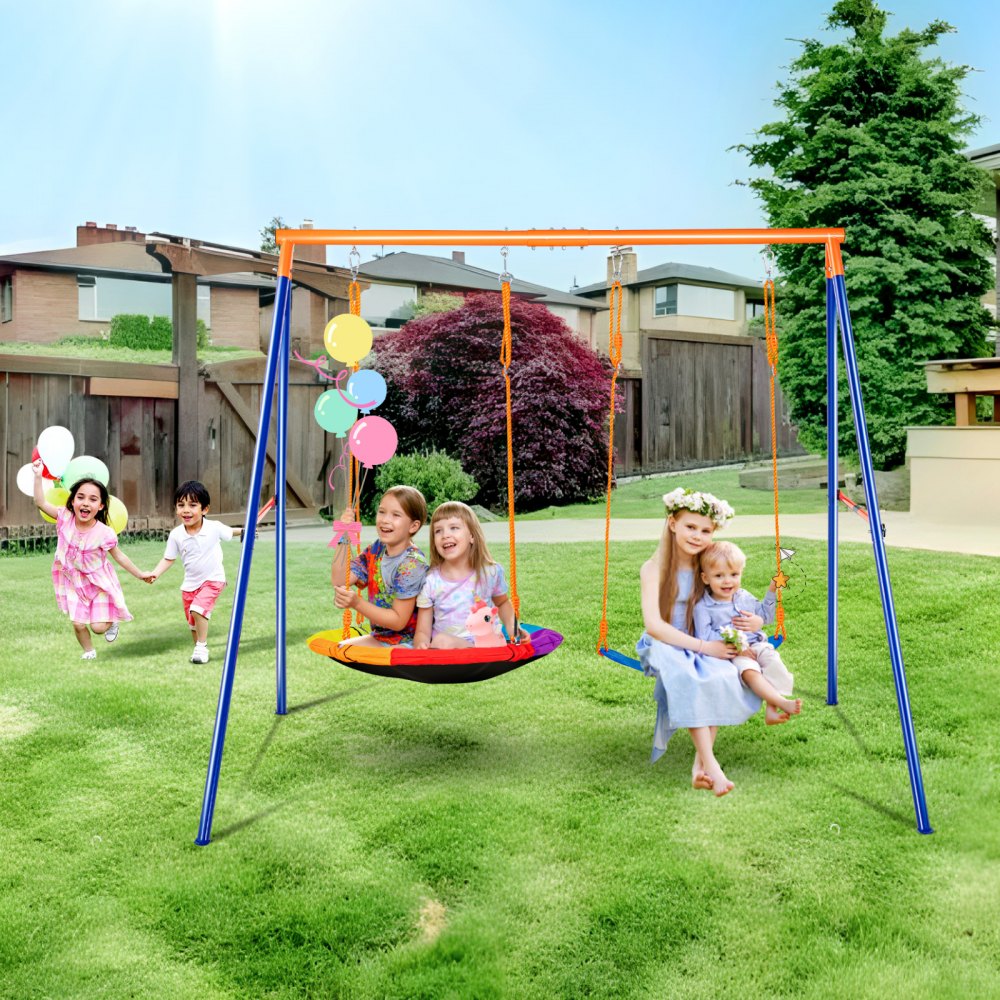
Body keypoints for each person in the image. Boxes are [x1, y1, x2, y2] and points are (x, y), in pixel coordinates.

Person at [637, 488, 762, 797]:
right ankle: (712, 767)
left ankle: (698, 769)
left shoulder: (705, 568)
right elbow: (654, 626)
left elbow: (733, 599)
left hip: (703, 638)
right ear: (672, 523)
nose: (697, 535)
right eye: (690, 527)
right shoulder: (653, 569)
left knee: (721, 675)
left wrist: (756, 621)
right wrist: (706, 648)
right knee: (691, 677)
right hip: (663, 643)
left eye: (706, 530)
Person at [32, 460, 146, 660]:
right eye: (80, 497)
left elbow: (119, 556)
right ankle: (89, 652)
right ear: (72, 501)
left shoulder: (104, 533)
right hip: (74, 581)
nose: (85, 503)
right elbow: (40, 502)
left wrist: (141, 574)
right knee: (77, 623)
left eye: (93, 499)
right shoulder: (64, 518)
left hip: (98, 582)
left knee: (98, 627)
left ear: (100, 506)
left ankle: (112, 621)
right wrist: (38, 475)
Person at [694, 540, 802, 726]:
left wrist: (771, 591)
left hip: (759, 644)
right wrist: (736, 644)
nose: (728, 581)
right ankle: (781, 702)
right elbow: (705, 635)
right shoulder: (704, 606)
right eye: (719, 575)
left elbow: (765, 617)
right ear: (705, 578)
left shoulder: (744, 596)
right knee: (750, 671)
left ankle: (771, 709)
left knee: (773, 662)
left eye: (734, 574)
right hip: (733, 652)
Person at [145, 481, 242, 664]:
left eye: (192, 505)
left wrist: (246, 531)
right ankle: (198, 649)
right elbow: (169, 558)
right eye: (181, 505)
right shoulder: (176, 534)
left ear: (205, 509)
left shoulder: (214, 527)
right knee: (192, 623)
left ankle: (202, 646)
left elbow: (231, 532)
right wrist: (155, 573)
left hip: (213, 580)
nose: (186, 510)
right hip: (189, 585)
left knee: (198, 610)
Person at [413, 501, 524, 649]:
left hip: (487, 644)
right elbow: (422, 630)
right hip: (448, 650)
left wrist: (514, 629)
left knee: (441, 642)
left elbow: (502, 603)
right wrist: (421, 643)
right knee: (441, 642)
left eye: (454, 528)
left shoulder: (490, 572)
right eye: (438, 531)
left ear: (472, 536)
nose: (445, 535)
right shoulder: (431, 581)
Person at [331, 486, 429, 647]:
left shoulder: (412, 564)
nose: (384, 519)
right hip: (381, 637)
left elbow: (398, 621)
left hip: (408, 641)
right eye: (382, 511)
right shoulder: (376, 550)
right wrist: (344, 533)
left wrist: (357, 603)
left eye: (396, 515)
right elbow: (340, 580)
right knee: (340, 649)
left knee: (348, 652)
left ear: (413, 526)